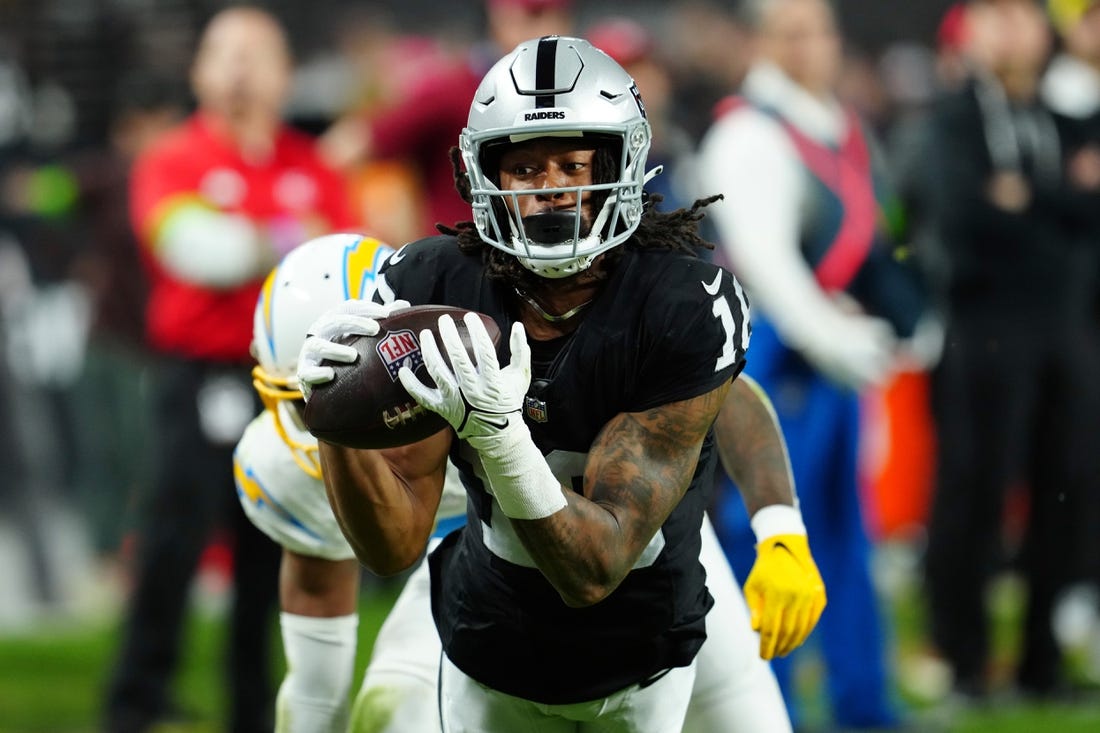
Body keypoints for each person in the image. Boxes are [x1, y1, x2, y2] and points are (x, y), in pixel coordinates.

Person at [297, 36, 825, 732]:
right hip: (492, 637)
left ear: (619, 165)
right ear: (480, 176)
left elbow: (597, 565)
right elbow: (393, 547)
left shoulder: (676, 300)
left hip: (648, 638)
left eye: (574, 163)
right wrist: (333, 414)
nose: (551, 187)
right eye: (525, 167)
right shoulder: (433, 286)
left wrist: (780, 526)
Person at [102, 7, 356, 733]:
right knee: (171, 544)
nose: (241, 66)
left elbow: (346, 263)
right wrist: (283, 235)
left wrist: (261, 240)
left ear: (285, 73)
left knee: (273, 551)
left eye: (257, 52)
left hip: (289, 385)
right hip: (198, 377)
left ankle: (255, 712)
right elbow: (197, 252)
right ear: (199, 71)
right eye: (225, 51)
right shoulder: (172, 157)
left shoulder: (310, 165)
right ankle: (133, 706)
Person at [695, 0, 930, 728]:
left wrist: (907, 317)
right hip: (770, 358)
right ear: (763, 40)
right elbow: (766, 264)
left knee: (844, 534)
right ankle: (765, 705)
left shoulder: (835, 123)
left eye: (819, 28)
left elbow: (872, 232)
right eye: (792, 30)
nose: (811, 44)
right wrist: (837, 338)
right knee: (768, 537)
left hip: (829, 359)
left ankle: (865, 702)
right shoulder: (748, 131)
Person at [921, 0, 1100, 703]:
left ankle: (1041, 662)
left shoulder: (1061, 116)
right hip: (983, 330)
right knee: (975, 494)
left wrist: (1030, 199)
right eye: (992, 12)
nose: (1009, 26)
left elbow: (1090, 213)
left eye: (1022, 12)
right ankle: (964, 660)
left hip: (1061, 328)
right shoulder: (952, 117)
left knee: (1068, 490)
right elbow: (963, 216)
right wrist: (1059, 205)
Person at [319, 0, 575, 238]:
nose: (548, 29)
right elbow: (339, 150)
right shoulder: (454, 90)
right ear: (499, 17)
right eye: (533, 15)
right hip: (462, 266)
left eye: (557, 15)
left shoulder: (575, 93)